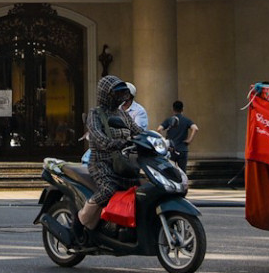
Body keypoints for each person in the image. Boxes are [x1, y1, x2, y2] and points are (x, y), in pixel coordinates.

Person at [74, 74, 142, 245]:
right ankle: (80, 221)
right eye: (115, 94)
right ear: (106, 94)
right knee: (109, 189)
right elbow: (97, 136)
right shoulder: (95, 114)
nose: (119, 97)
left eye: (121, 93)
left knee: (141, 188)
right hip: (101, 163)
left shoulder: (123, 115)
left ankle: (125, 226)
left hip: (123, 163)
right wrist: (115, 143)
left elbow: (138, 131)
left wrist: (158, 141)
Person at [158, 100, 198, 173]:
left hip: (171, 149)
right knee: (182, 172)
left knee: (169, 170)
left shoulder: (169, 120)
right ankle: (182, 184)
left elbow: (159, 129)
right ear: (182, 109)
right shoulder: (186, 120)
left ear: (173, 109)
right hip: (182, 149)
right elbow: (195, 128)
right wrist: (189, 140)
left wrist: (163, 140)